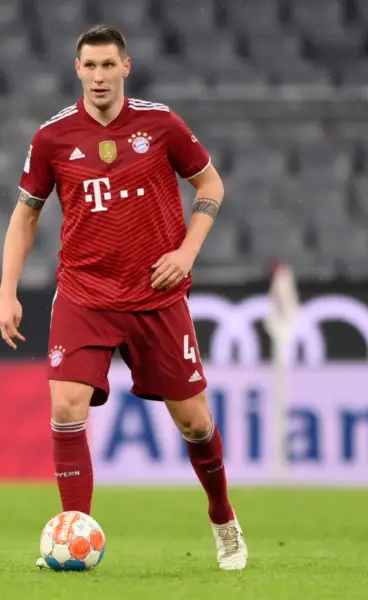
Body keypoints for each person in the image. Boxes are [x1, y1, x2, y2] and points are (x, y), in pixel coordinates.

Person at [0, 25, 247, 570]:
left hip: (156, 296)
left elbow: (212, 186)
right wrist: (6, 290)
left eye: (108, 65)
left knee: (195, 424)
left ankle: (223, 518)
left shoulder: (161, 125)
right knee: (65, 407)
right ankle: (71, 535)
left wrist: (186, 253)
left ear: (126, 68)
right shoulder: (53, 137)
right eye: (89, 66)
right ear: (77, 70)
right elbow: (26, 215)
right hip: (84, 294)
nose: (99, 76)